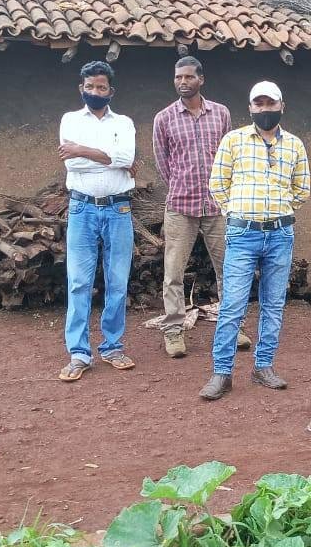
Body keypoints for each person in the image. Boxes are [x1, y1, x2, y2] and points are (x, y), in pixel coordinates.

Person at [199, 81, 311, 400]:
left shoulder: (295, 145)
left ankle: (264, 367)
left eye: (270, 104)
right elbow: (218, 183)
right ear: (250, 108)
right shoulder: (233, 141)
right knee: (233, 304)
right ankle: (222, 373)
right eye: (258, 104)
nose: (264, 109)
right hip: (242, 233)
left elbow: (302, 189)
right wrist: (234, 210)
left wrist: (280, 210)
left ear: (281, 106)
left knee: (273, 304)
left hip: (280, 234)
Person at [152, 56, 251, 358]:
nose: (183, 82)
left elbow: (229, 157)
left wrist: (225, 194)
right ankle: (173, 331)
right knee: (173, 271)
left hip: (218, 207)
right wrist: (182, 184)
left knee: (228, 269)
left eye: (188, 77)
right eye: (178, 77)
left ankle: (233, 328)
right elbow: (162, 163)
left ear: (201, 79)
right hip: (180, 206)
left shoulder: (220, 114)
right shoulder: (164, 118)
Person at [58, 61, 138, 381]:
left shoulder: (125, 122)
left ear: (111, 91)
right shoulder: (69, 120)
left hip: (119, 210)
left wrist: (84, 150)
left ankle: (112, 346)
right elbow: (73, 165)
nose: (95, 92)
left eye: (101, 87)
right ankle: (79, 353)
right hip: (82, 209)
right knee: (78, 281)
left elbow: (128, 158)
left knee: (117, 280)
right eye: (90, 87)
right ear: (82, 88)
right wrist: (111, 158)